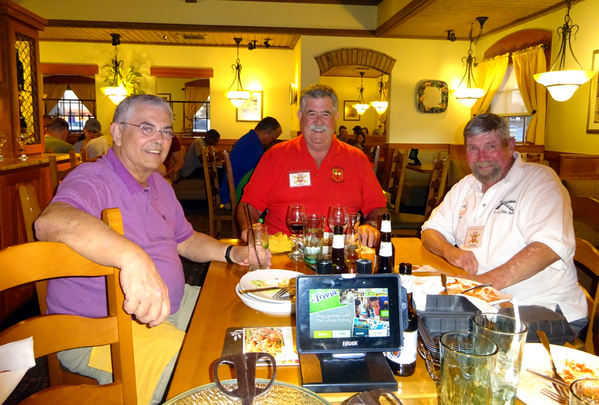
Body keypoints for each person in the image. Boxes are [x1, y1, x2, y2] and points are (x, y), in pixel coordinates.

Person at [34, 95, 266, 405]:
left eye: (166, 131)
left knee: (241, 313)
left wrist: (231, 252)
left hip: (169, 307)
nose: (159, 139)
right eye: (147, 128)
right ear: (117, 132)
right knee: (210, 381)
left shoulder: (160, 185)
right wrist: (132, 257)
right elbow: (50, 222)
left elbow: (186, 239)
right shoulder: (92, 178)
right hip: (98, 331)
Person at [421, 113, 587, 332]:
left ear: (510, 146)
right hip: (485, 303)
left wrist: (482, 283)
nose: (481, 157)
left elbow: (548, 247)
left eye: (490, 146)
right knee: (418, 318)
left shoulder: (540, 181)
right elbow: (430, 230)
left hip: (539, 307)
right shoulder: (466, 185)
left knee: (456, 342)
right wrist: (450, 251)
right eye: (473, 148)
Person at [236, 84, 387, 248]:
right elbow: (248, 205)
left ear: (336, 117)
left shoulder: (357, 159)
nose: (319, 121)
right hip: (282, 253)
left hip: (340, 252)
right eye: (312, 114)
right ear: (301, 116)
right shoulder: (274, 156)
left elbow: (378, 208)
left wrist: (371, 226)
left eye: (326, 114)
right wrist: (250, 228)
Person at [219, 117, 282, 205]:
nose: (271, 142)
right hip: (234, 197)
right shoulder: (253, 147)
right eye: (273, 138)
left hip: (230, 192)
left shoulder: (249, 139)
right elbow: (263, 176)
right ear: (265, 133)